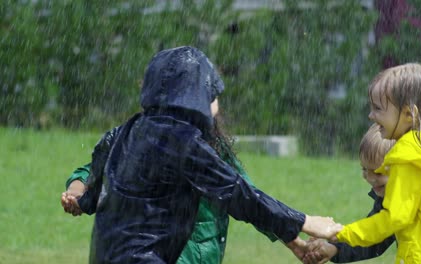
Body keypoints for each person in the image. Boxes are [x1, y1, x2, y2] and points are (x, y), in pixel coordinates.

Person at [61, 46, 341, 264]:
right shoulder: (184, 143)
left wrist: (81, 200)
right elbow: (239, 194)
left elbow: (93, 190)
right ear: (196, 96)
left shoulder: (125, 131)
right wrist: (306, 222)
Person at [62, 114, 281, 264]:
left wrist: (295, 240)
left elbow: (250, 199)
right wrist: (76, 192)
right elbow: (93, 172)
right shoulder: (140, 140)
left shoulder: (216, 150)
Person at [335, 63, 421, 263]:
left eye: (378, 109)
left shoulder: (408, 158)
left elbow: (393, 219)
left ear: (408, 114)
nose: (371, 115)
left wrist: (342, 233)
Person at [304, 123, 396, 264]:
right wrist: (334, 249)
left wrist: (338, 235)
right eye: (364, 169)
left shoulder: (414, 200)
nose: (370, 178)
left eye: (378, 172)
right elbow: (374, 239)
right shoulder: (388, 199)